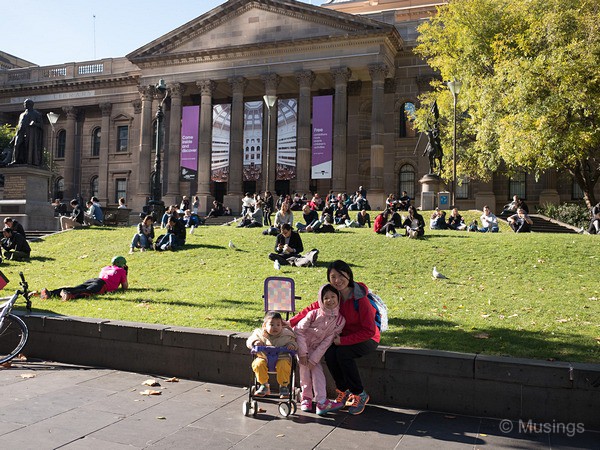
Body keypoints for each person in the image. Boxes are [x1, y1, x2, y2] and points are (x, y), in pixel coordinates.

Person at [289, 260, 379, 415]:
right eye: (333, 276)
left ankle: (359, 393)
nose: (337, 280)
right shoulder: (333, 295)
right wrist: (289, 322)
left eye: (341, 275)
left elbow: (369, 331)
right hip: (342, 337)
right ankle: (343, 391)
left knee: (343, 354)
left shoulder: (360, 299)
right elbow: (312, 308)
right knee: (330, 354)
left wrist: (343, 341)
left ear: (349, 275)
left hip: (367, 339)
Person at [295, 284, 346, 415]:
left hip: (316, 350)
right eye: (326, 298)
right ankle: (306, 398)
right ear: (321, 300)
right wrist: (303, 353)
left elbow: (327, 341)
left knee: (316, 370)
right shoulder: (313, 314)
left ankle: (321, 401)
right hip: (302, 347)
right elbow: (299, 331)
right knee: (304, 370)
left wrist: (313, 358)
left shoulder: (340, 320)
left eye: (333, 296)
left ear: (338, 298)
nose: (330, 300)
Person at [246, 311, 298, 398]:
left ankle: (284, 386)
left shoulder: (286, 334)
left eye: (278, 325)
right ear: (264, 325)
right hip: (264, 357)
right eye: (272, 324)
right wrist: (255, 342)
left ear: (282, 325)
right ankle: (264, 385)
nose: (275, 327)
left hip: (282, 358)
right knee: (258, 364)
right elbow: (249, 341)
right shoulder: (259, 333)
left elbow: (294, 343)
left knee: (284, 365)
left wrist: (291, 345)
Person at [39, 256, 128, 301]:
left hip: (93, 280)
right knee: (87, 292)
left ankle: (50, 293)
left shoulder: (105, 268)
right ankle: (68, 295)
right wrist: (125, 273)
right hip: (102, 285)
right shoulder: (121, 270)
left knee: (76, 288)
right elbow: (125, 287)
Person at [10, 99, 44, 166]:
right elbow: (19, 126)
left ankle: (29, 161)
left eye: (25, 103)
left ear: (30, 105)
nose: (24, 105)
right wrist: (14, 137)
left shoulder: (36, 114)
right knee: (17, 145)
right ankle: (16, 160)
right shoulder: (21, 115)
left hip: (30, 134)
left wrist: (34, 124)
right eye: (24, 103)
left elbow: (41, 125)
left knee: (28, 147)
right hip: (21, 133)